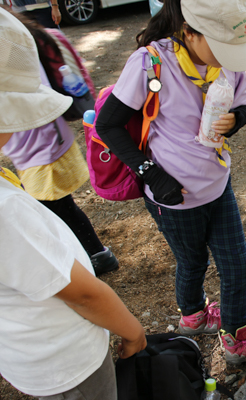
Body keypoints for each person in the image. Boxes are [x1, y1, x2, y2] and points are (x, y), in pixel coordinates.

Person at [94, 0, 246, 366]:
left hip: (217, 184)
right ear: (190, 32)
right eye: (221, 47)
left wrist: (236, 119)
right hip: (172, 195)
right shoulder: (151, 64)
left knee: (237, 266)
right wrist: (152, 174)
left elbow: (243, 105)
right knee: (191, 262)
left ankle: (237, 338)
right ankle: (193, 316)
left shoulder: (229, 62)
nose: (229, 58)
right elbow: (108, 125)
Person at [0, 8, 146, 399]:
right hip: (67, 363)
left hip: (32, 355)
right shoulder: (6, 212)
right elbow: (83, 293)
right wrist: (133, 332)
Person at [0, 10, 118, 276]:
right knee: (60, 208)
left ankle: (93, 257)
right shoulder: (19, 42)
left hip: (40, 146)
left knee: (54, 211)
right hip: (39, 143)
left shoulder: (13, 51)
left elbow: (31, 97)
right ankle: (96, 255)